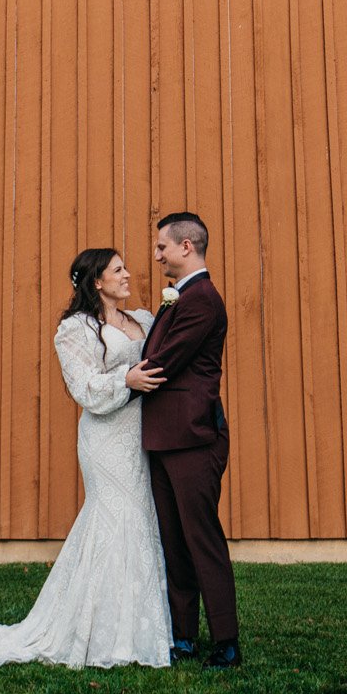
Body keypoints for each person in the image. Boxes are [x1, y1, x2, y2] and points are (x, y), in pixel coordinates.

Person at [0, 248, 172, 669]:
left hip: (138, 436)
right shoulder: (74, 330)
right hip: (105, 438)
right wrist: (126, 378)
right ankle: (97, 633)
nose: (128, 274)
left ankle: (137, 628)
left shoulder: (143, 320)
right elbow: (84, 388)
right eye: (118, 270)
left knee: (138, 519)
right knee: (113, 518)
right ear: (97, 281)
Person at [134, 211, 240, 669]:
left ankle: (226, 641)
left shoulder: (200, 300)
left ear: (186, 247)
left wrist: (128, 373)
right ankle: (183, 637)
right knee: (174, 543)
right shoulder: (179, 297)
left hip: (194, 438)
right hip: (163, 438)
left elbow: (162, 360)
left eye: (162, 247)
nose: (156, 255)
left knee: (201, 540)